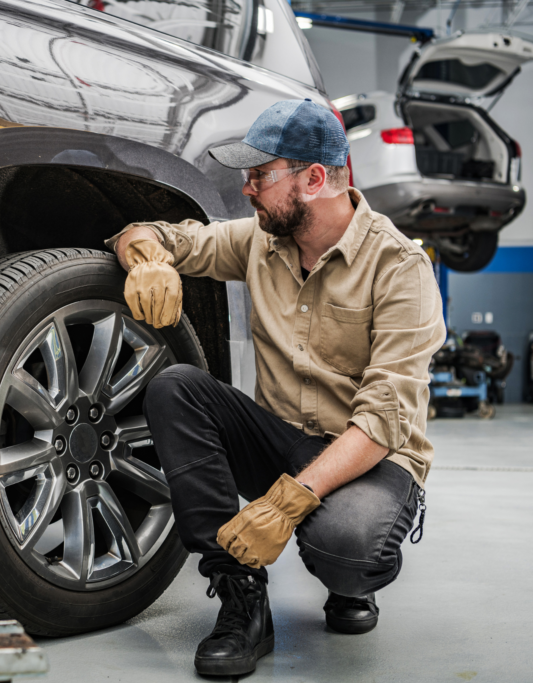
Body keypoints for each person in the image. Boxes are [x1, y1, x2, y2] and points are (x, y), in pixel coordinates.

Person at [104, 99, 446, 676]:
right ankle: (241, 596)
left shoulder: (399, 267)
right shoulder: (258, 242)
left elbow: (383, 419)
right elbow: (156, 235)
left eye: (260, 175)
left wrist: (287, 505)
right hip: (284, 439)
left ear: (313, 180)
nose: (247, 189)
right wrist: (146, 259)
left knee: (346, 548)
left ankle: (351, 581)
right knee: (176, 388)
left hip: (369, 457)